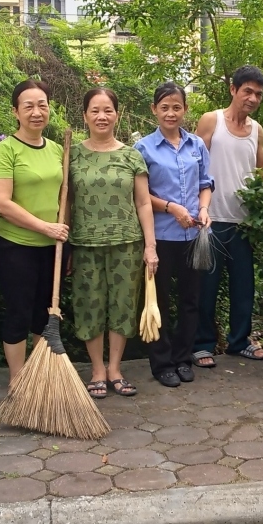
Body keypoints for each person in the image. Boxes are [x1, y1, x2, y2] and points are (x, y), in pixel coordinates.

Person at [68, 88, 159, 398]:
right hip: (84, 244)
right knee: (89, 306)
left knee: (122, 305)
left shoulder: (131, 155)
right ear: (84, 116)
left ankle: (115, 369)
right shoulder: (72, 154)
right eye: (94, 110)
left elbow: (144, 203)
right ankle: (96, 370)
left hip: (127, 243)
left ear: (116, 115)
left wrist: (150, 246)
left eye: (107, 110)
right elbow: (65, 201)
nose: (101, 116)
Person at [0, 80, 68, 387]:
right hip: (17, 246)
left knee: (44, 314)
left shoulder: (59, 149)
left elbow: (64, 197)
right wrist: (44, 227)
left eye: (42, 105)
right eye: (28, 106)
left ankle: (40, 375)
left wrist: (61, 233)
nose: (37, 112)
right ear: (16, 112)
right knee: (19, 312)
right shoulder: (4, 149)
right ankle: (17, 379)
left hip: (53, 247)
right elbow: (2, 203)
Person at [135, 82, 214, 388]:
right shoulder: (143, 149)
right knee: (160, 301)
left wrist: (204, 209)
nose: (171, 113)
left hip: (194, 236)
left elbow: (205, 183)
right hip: (161, 236)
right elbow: (140, 196)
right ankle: (162, 363)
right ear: (154, 110)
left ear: (185, 110)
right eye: (164, 107)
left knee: (190, 300)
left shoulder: (197, 145)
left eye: (177, 107)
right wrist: (171, 208)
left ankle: (183, 358)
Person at [194, 66, 263, 366]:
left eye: (258, 94)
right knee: (206, 288)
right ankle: (202, 345)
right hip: (211, 219)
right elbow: (194, 165)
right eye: (247, 91)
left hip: (244, 222)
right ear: (233, 90)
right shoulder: (212, 121)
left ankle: (240, 342)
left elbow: (262, 171)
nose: (252, 98)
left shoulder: (257, 130)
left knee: (243, 288)